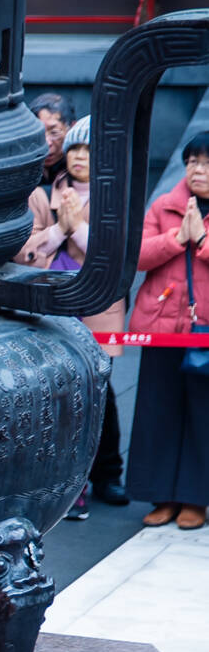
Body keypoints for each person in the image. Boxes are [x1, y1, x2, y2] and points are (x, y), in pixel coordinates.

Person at [21, 117, 127, 518]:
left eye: (89, 151)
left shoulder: (114, 197)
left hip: (96, 310)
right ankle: (65, 484)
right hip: (52, 308)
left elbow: (110, 256)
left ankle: (108, 474)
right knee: (56, 396)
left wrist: (76, 228)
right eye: (76, 150)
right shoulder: (40, 195)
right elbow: (24, 252)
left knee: (100, 393)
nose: (81, 158)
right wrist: (56, 231)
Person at [125, 132, 209, 530]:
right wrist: (178, 238)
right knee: (157, 411)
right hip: (161, 326)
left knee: (201, 413)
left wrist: (202, 239)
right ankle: (163, 496)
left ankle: (196, 498)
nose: (198, 170)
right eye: (193, 161)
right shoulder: (164, 206)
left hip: (203, 329)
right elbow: (138, 256)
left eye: (207, 163)